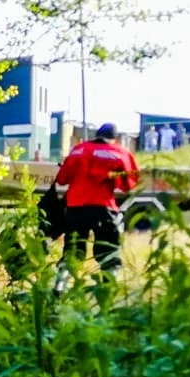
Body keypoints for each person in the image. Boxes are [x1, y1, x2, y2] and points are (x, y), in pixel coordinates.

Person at [55, 121, 139, 288]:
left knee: (73, 251)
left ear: (97, 135)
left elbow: (62, 179)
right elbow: (129, 183)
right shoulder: (120, 153)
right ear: (114, 138)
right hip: (103, 208)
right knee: (108, 252)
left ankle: (60, 287)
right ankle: (107, 289)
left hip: (75, 208)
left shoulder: (78, 150)